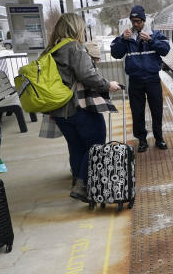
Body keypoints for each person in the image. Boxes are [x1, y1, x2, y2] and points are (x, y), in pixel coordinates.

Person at [45, 13, 121, 202]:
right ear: (75, 28)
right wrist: (107, 85)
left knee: (76, 146)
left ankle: (77, 182)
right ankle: (84, 185)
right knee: (96, 142)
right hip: (78, 107)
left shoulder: (51, 50)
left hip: (59, 110)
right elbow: (87, 75)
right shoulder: (74, 48)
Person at [109, 5, 170, 151]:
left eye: (138, 21)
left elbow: (165, 50)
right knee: (137, 111)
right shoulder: (127, 37)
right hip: (135, 80)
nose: (135, 24)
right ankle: (142, 140)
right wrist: (123, 40)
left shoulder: (155, 35)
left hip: (152, 79)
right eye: (133, 21)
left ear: (144, 21)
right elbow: (115, 53)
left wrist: (151, 41)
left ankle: (159, 138)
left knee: (157, 110)